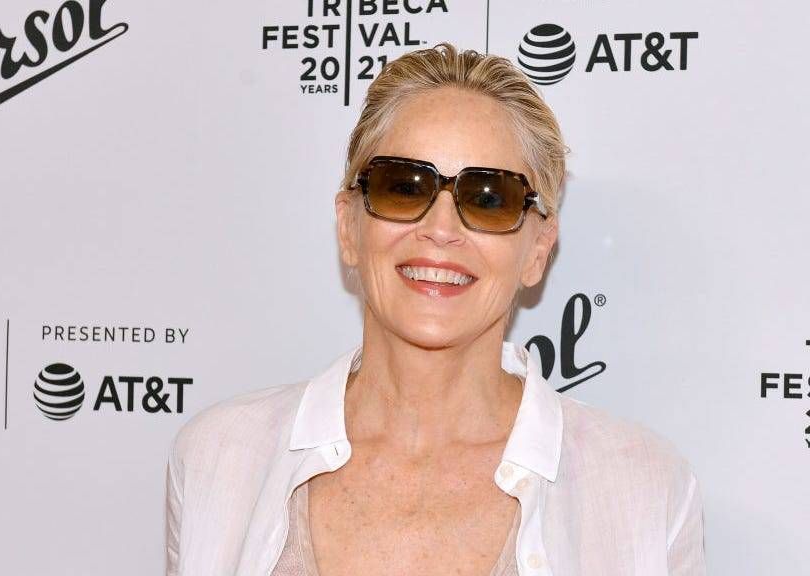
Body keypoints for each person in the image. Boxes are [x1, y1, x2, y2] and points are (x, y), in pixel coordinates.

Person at [165, 42, 706, 575]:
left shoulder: (643, 488)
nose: (441, 229)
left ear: (538, 249)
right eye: (404, 187)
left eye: (489, 198)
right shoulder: (219, 456)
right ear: (349, 226)